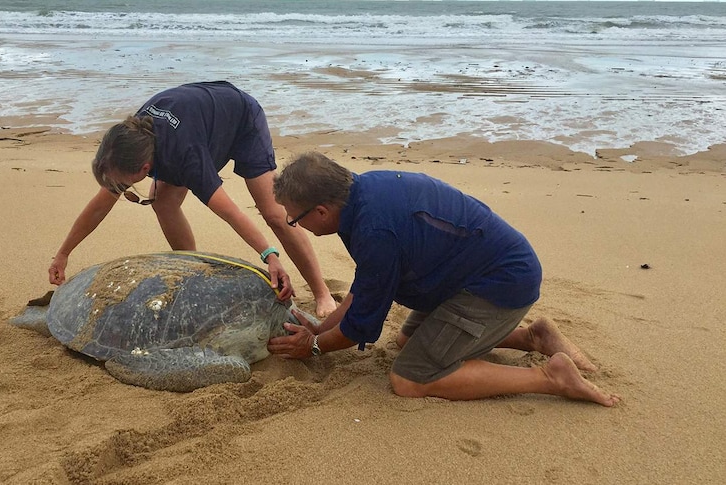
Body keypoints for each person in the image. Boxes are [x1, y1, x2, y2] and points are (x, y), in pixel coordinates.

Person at [267, 152, 620, 406]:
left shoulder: (374, 230)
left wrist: (313, 345)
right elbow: (366, 286)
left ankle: (551, 378)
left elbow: (362, 324)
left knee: (410, 377)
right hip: (466, 274)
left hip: (499, 284)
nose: (296, 225)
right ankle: (532, 337)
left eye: (295, 220)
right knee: (408, 341)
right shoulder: (362, 192)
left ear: (322, 211)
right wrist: (320, 326)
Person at [48, 81, 337, 316]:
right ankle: (192, 270)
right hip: (200, 123)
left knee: (275, 214)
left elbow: (231, 213)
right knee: (162, 201)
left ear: (145, 169)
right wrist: (63, 253)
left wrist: (269, 257)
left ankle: (322, 292)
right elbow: (100, 206)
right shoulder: (130, 137)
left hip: (241, 118)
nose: (118, 190)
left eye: (123, 185)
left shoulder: (187, 158)